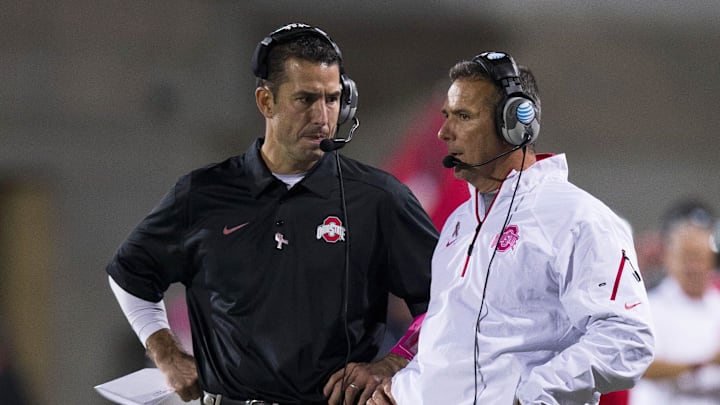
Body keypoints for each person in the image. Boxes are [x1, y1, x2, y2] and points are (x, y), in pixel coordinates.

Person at [106, 23, 438, 405]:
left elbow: (445, 304)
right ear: (266, 102)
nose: (322, 117)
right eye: (305, 99)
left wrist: (394, 362)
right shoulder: (202, 194)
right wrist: (166, 354)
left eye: (332, 99)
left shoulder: (379, 198)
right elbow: (130, 274)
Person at [366, 51, 655, 405]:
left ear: (514, 124)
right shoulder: (460, 223)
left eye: (463, 116)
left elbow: (627, 338)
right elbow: (450, 336)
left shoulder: (580, 218)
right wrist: (399, 384)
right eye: (446, 117)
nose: (444, 132)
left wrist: (531, 396)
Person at [630, 199, 720, 405]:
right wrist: (704, 364)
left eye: (699, 258)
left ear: (711, 261)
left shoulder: (717, 306)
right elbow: (642, 366)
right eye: (686, 258)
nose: (694, 267)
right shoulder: (647, 307)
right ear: (669, 259)